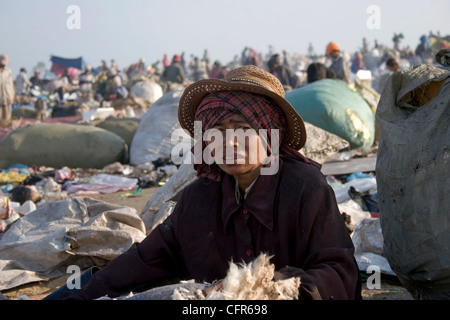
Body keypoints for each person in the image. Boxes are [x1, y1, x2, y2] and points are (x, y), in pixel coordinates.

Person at [59, 65, 362, 300]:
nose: (229, 141)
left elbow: (340, 274)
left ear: (271, 136)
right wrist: (82, 294)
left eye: (243, 128)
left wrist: (269, 286)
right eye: (216, 130)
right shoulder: (198, 198)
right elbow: (146, 259)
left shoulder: (305, 188)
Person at [0, 54, 15, 124]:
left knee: (7, 118)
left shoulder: (8, 72)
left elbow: (11, 85)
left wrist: (13, 96)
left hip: (7, 97)